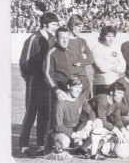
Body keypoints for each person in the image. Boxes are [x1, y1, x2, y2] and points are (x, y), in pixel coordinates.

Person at [19, 12, 59, 157]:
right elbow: (24, 62)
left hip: (47, 83)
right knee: (30, 113)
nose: (56, 27)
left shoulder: (53, 39)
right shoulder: (33, 39)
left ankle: (41, 145)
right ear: (45, 24)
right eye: (54, 24)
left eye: (57, 24)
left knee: (44, 114)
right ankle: (24, 146)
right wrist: (30, 80)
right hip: (34, 82)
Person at [45, 76, 105, 160]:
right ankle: (56, 150)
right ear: (69, 86)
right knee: (65, 142)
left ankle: (93, 153)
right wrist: (74, 135)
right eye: (76, 87)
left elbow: (91, 113)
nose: (79, 90)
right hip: (62, 133)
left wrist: (89, 123)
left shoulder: (80, 98)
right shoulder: (60, 103)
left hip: (76, 131)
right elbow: (58, 126)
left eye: (80, 87)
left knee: (98, 122)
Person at [89, 82, 129, 156]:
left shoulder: (117, 102)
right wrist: (117, 131)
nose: (122, 96)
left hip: (95, 124)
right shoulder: (102, 99)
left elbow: (116, 118)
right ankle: (92, 153)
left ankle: (101, 146)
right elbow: (101, 119)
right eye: (120, 93)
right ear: (111, 92)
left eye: (123, 94)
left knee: (108, 144)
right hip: (84, 124)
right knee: (104, 127)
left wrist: (122, 129)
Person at [43, 27, 73, 153]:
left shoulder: (68, 52)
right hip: (55, 91)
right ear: (56, 38)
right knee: (52, 118)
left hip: (67, 90)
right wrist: (57, 90)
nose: (65, 40)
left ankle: (61, 145)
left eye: (67, 37)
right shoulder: (51, 52)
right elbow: (47, 73)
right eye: (62, 38)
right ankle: (48, 149)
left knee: (63, 118)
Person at [92, 26, 126, 96]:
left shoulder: (116, 48)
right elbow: (103, 68)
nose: (111, 39)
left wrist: (108, 65)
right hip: (101, 84)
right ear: (102, 36)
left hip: (114, 83)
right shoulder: (96, 50)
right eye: (109, 36)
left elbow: (123, 67)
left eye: (113, 36)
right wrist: (116, 62)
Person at [67, 14, 94, 99]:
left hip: (84, 77)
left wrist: (79, 63)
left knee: (86, 105)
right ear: (71, 25)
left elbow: (91, 59)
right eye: (78, 26)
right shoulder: (65, 41)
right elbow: (69, 60)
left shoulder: (82, 41)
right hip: (72, 78)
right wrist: (82, 57)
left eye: (82, 26)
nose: (81, 29)